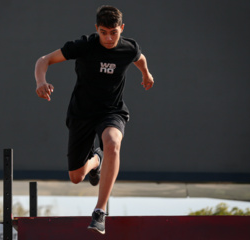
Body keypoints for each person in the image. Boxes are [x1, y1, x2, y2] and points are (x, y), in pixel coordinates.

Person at [34, 5, 154, 234]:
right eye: (103, 32)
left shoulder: (129, 48)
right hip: (81, 114)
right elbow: (44, 60)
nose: (108, 38)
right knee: (76, 177)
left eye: (114, 33)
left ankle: (99, 212)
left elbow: (140, 58)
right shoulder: (84, 46)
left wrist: (146, 74)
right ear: (96, 29)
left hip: (112, 111)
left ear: (122, 28)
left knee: (112, 142)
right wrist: (41, 82)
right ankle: (96, 160)